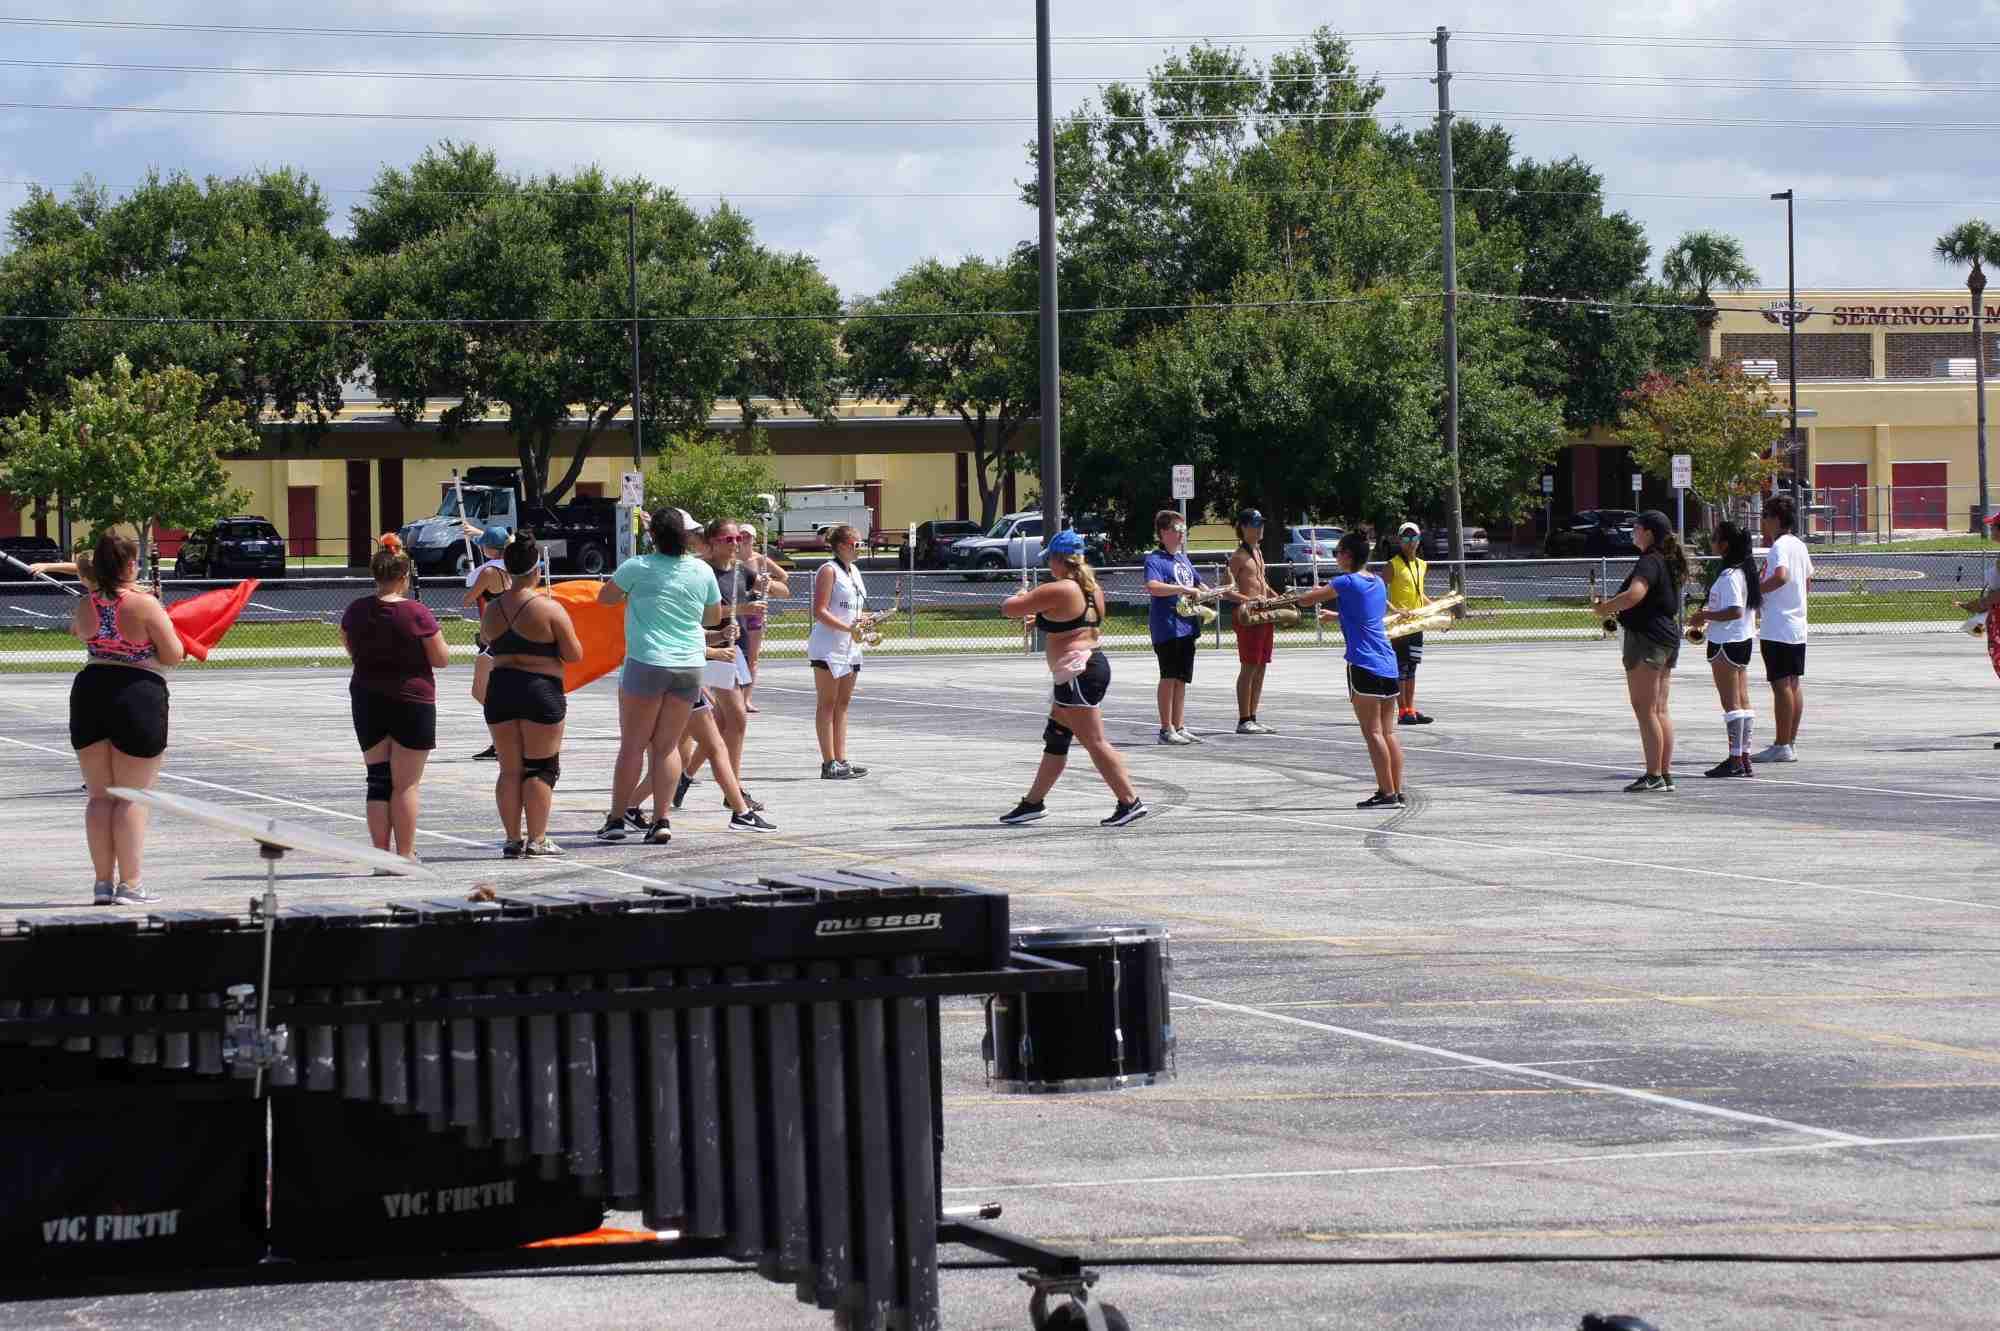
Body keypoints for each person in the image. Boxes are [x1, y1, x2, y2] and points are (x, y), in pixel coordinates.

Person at [601, 509, 776, 842]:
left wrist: (636, 595)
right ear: (686, 537)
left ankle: (616, 820)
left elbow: (605, 598)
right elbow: (710, 617)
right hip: (689, 665)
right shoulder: (700, 570)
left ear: (653, 535)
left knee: (633, 747)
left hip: (647, 660)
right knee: (667, 747)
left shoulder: (637, 566)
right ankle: (661, 820)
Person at [997, 530, 1149, 828]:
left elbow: (1008, 609)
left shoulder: (1061, 588)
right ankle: (1033, 803)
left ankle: (1129, 801)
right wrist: (1041, 618)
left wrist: (1020, 596)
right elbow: (1074, 622)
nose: (1048, 566)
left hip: (1077, 673)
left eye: (1049, 560)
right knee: (1057, 737)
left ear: (1058, 560)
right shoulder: (1092, 589)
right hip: (1088, 666)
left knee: (1095, 741)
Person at [69, 525, 185, 905]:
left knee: (99, 797)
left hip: (90, 692)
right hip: (137, 693)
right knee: (132, 797)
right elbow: (173, 654)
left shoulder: (86, 603)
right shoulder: (144, 603)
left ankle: (102, 883)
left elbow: (78, 633)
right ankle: (130, 884)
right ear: (131, 564)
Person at [340, 538, 449, 864]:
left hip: (367, 697)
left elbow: (350, 647)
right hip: (411, 700)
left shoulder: (356, 610)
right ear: (404, 576)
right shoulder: (416, 612)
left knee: (377, 780)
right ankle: (405, 854)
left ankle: (380, 856)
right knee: (406, 785)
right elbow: (441, 658)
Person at [479, 530, 582, 857]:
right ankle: (537, 838)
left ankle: (512, 839)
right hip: (540, 689)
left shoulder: (493, 608)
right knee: (541, 767)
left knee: (509, 769)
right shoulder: (549, 609)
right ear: (537, 570)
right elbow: (574, 654)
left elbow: (487, 641)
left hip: (501, 688)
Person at [1295, 531, 1404, 807]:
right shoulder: (1377, 582)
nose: (1336, 558)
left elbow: (1307, 600)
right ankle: (1396, 789)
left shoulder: (1345, 581)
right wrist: (1337, 616)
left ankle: (1387, 793)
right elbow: (1367, 616)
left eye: (1337, 553)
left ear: (1347, 555)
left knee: (1373, 733)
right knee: (1388, 732)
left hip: (1363, 663)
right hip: (1388, 662)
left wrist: (1304, 593)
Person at [1591, 510, 1687, 793]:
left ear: (1648, 532)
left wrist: (1605, 607)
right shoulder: (1666, 560)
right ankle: (1664, 774)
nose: (1633, 532)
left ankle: (1653, 774)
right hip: (1666, 637)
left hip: (1647, 639)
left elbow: (1635, 594)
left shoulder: (1649, 560)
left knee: (1645, 709)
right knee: (1659, 709)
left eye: (1636, 528)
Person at [676, 516, 760, 810]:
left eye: (739, 539)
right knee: (737, 718)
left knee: (722, 724)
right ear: (712, 542)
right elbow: (701, 613)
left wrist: (766, 583)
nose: (736, 544)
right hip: (711, 650)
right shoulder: (703, 571)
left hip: (735, 650)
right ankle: (733, 791)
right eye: (729, 539)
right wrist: (742, 609)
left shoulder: (739, 571)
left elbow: (782, 588)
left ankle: (685, 776)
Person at [1687, 521, 1762, 778]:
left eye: (1715, 538)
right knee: (1742, 700)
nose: (1712, 542)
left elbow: (1734, 611)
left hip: (1726, 641)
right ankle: (1744, 756)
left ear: (1725, 545)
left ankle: (1735, 759)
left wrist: (1704, 615)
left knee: (1731, 702)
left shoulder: (1730, 575)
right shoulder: (1744, 572)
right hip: (1741, 639)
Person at [1143, 509, 1216, 745]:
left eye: (1184, 529)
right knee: (1169, 676)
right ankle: (1166, 729)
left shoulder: (1183, 559)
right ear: (1163, 532)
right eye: (1177, 529)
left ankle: (1179, 725)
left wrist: (1212, 593)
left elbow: (1199, 584)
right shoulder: (1155, 559)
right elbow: (1153, 586)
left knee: (1182, 678)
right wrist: (1182, 589)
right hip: (1167, 627)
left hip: (1187, 626)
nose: (1182, 534)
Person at [806, 524, 871, 779]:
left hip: (850, 646)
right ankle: (828, 762)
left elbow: (854, 609)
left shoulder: (854, 571)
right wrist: (847, 627)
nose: (860, 549)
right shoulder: (828, 570)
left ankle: (842, 759)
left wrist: (866, 620)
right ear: (842, 546)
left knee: (843, 704)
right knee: (827, 703)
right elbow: (820, 610)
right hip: (829, 646)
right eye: (857, 544)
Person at [1753, 494, 1813, 764]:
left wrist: (1753, 591)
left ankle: (1781, 744)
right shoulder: (1799, 545)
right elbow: (1807, 580)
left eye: (1765, 517)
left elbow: (1781, 576)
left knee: (1781, 686)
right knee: (1793, 683)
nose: (1763, 522)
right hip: (1797, 624)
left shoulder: (1779, 546)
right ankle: (1790, 742)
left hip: (1778, 626)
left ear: (1776, 519)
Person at [1226, 509, 1278, 735]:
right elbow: (1227, 590)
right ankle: (1243, 719)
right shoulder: (1238, 556)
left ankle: (1253, 716)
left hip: (1264, 615)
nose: (1260, 528)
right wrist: (1249, 600)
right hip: (1248, 616)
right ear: (1244, 527)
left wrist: (1279, 598)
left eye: (1261, 524)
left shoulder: (1257, 551)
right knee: (1249, 667)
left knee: (1261, 666)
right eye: (1256, 524)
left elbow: (1262, 584)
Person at [463, 525, 511, 761]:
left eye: (484, 545)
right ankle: (501, 740)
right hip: (508, 633)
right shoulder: (513, 567)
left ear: (491, 549)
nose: (481, 547)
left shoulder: (489, 572)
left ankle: (505, 737)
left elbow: (467, 599)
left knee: (480, 691)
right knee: (496, 691)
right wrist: (476, 532)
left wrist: (476, 580)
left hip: (493, 637)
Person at [734, 521, 789, 714]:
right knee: (735, 653)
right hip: (737, 608)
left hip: (755, 608)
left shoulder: (759, 559)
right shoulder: (732, 558)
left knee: (752, 657)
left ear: (754, 539)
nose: (745, 539)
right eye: (742, 535)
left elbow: (783, 576)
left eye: (748, 536)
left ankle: (746, 699)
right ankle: (734, 696)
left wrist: (768, 586)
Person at [1387, 522, 1436, 726]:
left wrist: (1436, 607)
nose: (1410, 542)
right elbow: (1378, 592)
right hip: (1399, 625)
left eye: (1414, 538)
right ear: (1400, 541)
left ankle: (1410, 708)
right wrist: (1394, 609)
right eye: (1406, 538)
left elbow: (1419, 594)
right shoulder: (1393, 565)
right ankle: (1402, 711)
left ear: (1419, 540)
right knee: (1401, 668)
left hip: (1417, 624)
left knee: (1412, 667)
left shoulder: (1421, 565)